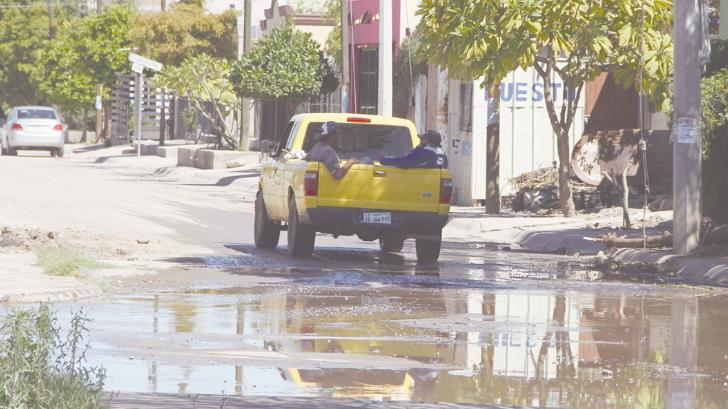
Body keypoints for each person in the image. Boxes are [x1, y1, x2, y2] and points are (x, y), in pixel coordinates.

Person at [380, 130, 448, 169]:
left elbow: (405, 162)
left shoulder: (424, 151)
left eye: (422, 139)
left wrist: (385, 160)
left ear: (428, 140)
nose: (420, 141)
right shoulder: (443, 154)